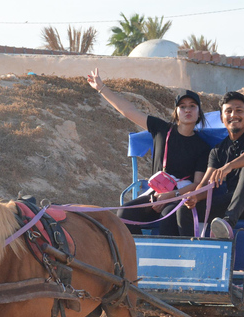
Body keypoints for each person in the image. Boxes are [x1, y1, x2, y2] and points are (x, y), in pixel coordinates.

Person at [86, 68, 210, 236]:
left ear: (199, 112)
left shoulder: (203, 147)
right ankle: (136, 255)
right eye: (182, 107)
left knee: (169, 215)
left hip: (179, 198)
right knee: (125, 213)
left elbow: (197, 185)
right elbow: (129, 110)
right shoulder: (161, 130)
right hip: (155, 194)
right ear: (176, 112)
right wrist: (101, 88)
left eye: (192, 106)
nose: (187, 110)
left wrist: (170, 196)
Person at [181, 91, 244, 239]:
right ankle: (187, 252)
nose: (234, 115)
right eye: (229, 111)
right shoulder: (217, 150)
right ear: (222, 117)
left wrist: (229, 166)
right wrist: (194, 197)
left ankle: (227, 223)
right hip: (233, 202)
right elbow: (206, 183)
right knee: (184, 209)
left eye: (239, 110)